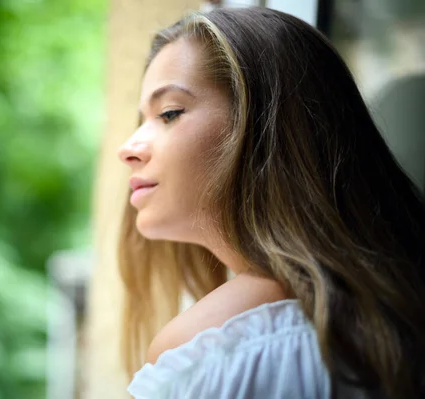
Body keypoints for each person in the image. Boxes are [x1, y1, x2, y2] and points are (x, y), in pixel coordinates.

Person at [116, 6, 425, 399]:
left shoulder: (217, 350)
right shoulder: (384, 318)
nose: (128, 148)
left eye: (169, 113)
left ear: (266, 129)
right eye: (142, 119)